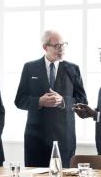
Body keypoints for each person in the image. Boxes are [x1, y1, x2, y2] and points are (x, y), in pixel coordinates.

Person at [15, 30, 87, 168]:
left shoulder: (73, 69)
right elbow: (19, 100)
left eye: (63, 45)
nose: (61, 49)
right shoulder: (30, 67)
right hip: (36, 139)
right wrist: (39, 101)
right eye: (57, 46)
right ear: (45, 47)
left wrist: (63, 101)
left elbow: (82, 100)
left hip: (64, 139)